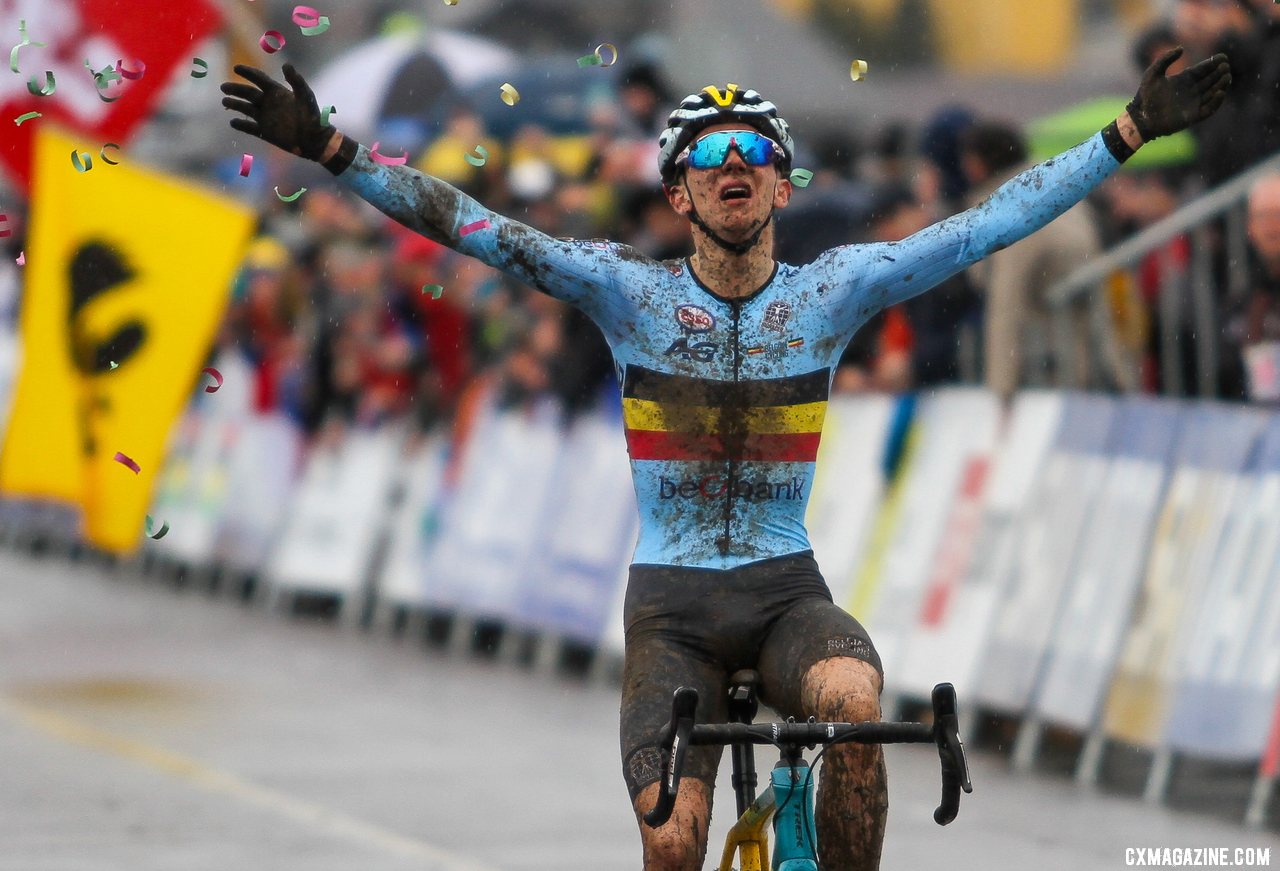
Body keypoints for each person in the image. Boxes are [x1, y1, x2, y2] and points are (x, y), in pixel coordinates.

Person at [222, 48, 1230, 870]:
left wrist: (1126, 133)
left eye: (753, 147)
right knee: (672, 840)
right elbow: (476, 229)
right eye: (706, 154)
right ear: (677, 191)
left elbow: (987, 225)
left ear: (782, 181)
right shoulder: (627, 293)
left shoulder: (834, 290)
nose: (731, 163)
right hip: (669, 609)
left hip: (786, 590)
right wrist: (337, 152)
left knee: (854, 711)